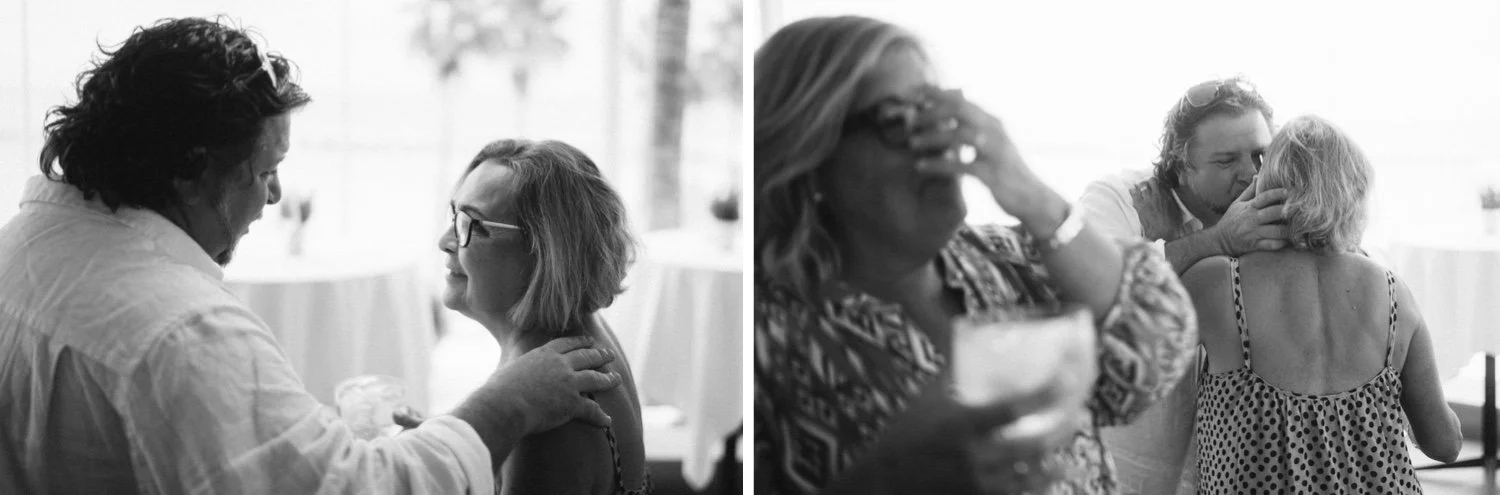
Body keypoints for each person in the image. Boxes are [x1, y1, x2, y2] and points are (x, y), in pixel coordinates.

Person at [0, 18, 620, 494]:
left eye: (471, 224)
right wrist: (507, 405)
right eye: (265, 170)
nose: (273, 196)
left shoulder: (25, 247)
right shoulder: (183, 333)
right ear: (192, 171)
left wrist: (313, 442)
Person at [754, 15, 1197, 494]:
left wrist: (1032, 196)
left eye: (939, 113)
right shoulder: (768, 337)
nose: (940, 143)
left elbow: (1158, 350)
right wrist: (886, 477)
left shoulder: (1005, 258)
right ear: (810, 156)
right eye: (898, 120)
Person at [1182, 115, 1461, 493]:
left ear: (1264, 190)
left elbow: (1134, 363)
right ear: (1354, 193)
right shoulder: (1394, 293)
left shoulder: (1216, 282)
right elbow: (1444, 444)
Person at [1077, 77, 1287, 494]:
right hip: (1128, 461)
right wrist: (1218, 241)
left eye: (1260, 154)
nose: (1250, 174)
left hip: (1231, 466)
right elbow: (1090, 285)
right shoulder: (1118, 199)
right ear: (1180, 163)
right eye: (1226, 161)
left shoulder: (1276, 203)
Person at [438, 139, 650, 495]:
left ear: (547, 253)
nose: (445, 240)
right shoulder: (582, 337)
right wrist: (436, 454)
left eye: (473, 225)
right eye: (454, 216)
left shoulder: (546, 413)